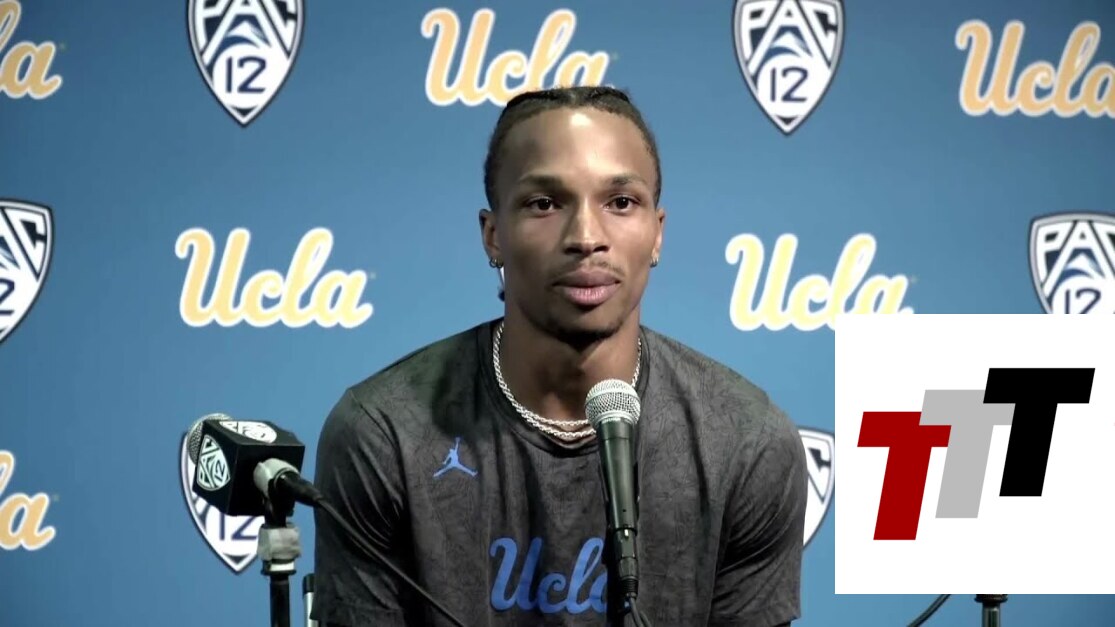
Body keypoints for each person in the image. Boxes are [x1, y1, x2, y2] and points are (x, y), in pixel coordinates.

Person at [311, 85, 807, 627]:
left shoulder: (745, 442)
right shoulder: (384, 435)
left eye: (620, 202)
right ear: (493, 236)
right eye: (545, 203)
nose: (586, 237)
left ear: (657, 234)